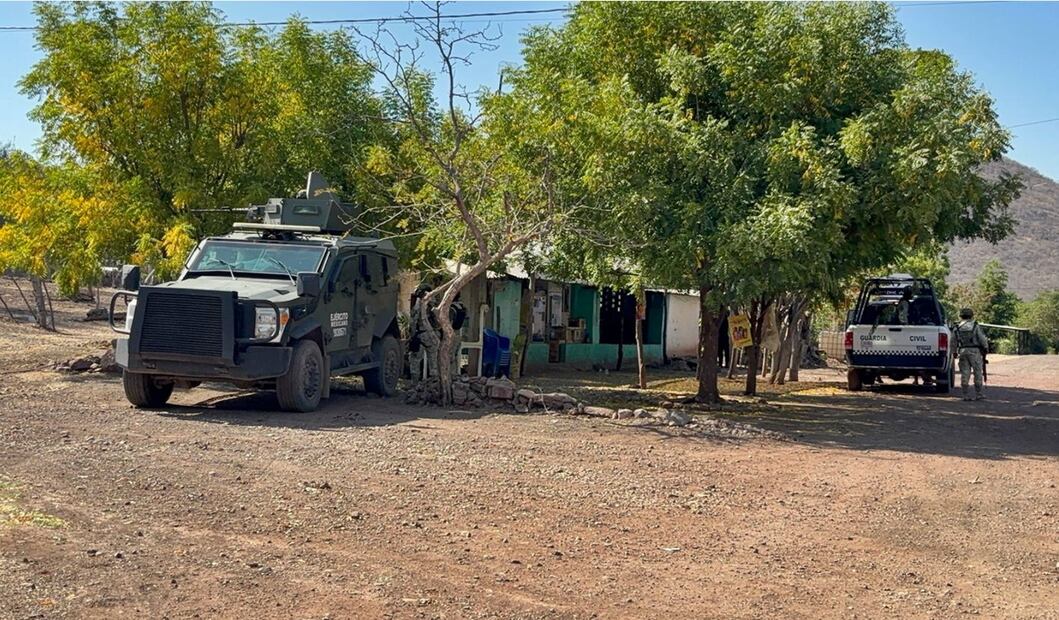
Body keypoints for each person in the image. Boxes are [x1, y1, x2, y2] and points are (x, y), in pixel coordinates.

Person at [953, 307, 988, 401]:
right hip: (975, 351)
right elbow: (982, 339)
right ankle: (978, 394)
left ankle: (965, 395)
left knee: (965, 373)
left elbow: (953, 341)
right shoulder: (975, 326)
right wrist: (985, 348)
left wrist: (954, 352)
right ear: (971, 316)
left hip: (962, 351)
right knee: (977, 372)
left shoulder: (957, 327)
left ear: (961, 316)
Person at [408, 284, 439, 383]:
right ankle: (434, 384)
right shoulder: (434, 303)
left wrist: (412, 335)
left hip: (421, 334)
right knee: (433, 361)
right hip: (433, 335)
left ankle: (415, 385)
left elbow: (414, 320)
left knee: (414, 359)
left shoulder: (419, 303)